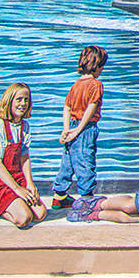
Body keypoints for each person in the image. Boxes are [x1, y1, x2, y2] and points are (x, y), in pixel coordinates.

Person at [0, 83, 48, 228]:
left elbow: (24, 157)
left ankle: (15, 204)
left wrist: (29, 183)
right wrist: (17, 189)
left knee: (40, 214)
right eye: (19, 99)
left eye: (26, 100)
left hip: (16, 177)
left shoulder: (25, 126)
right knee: (24, 218)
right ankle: (0, 211)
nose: (23, 104)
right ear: (9, 101)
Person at [52, 45, 106, 209]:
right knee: (85, 161)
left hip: (73, 126)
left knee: (68, 162)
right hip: (85, 128)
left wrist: (66, 129)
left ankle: (59, 195)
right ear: (96, 66)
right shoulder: (95, 84)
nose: (102, 70)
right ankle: (87, 199)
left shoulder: (76, 84)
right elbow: (91, 107)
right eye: (102, 66)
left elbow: (67, 107)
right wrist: (78, 130)